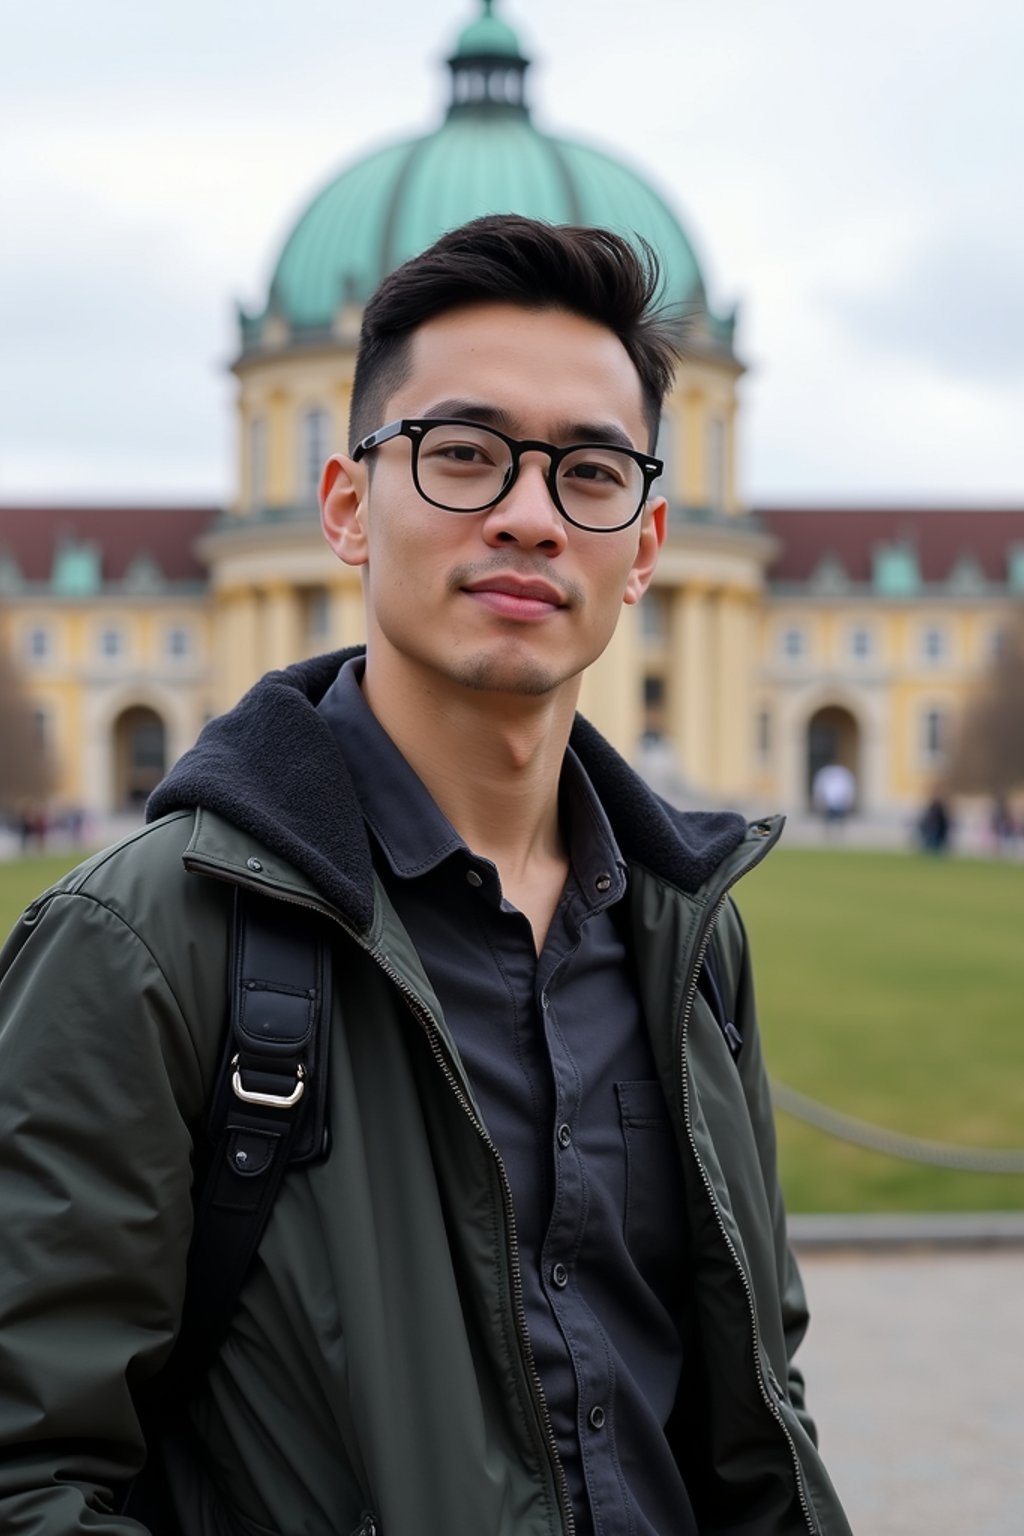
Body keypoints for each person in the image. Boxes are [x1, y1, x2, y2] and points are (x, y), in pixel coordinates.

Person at [0, 216, 851, 1536]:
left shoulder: (690, 933)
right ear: (344, 502)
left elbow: (751, 1400)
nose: (528, 515)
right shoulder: (143, 939)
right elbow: (26, 1475)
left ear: (649, 541)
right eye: (463, 456)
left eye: (589, 470)